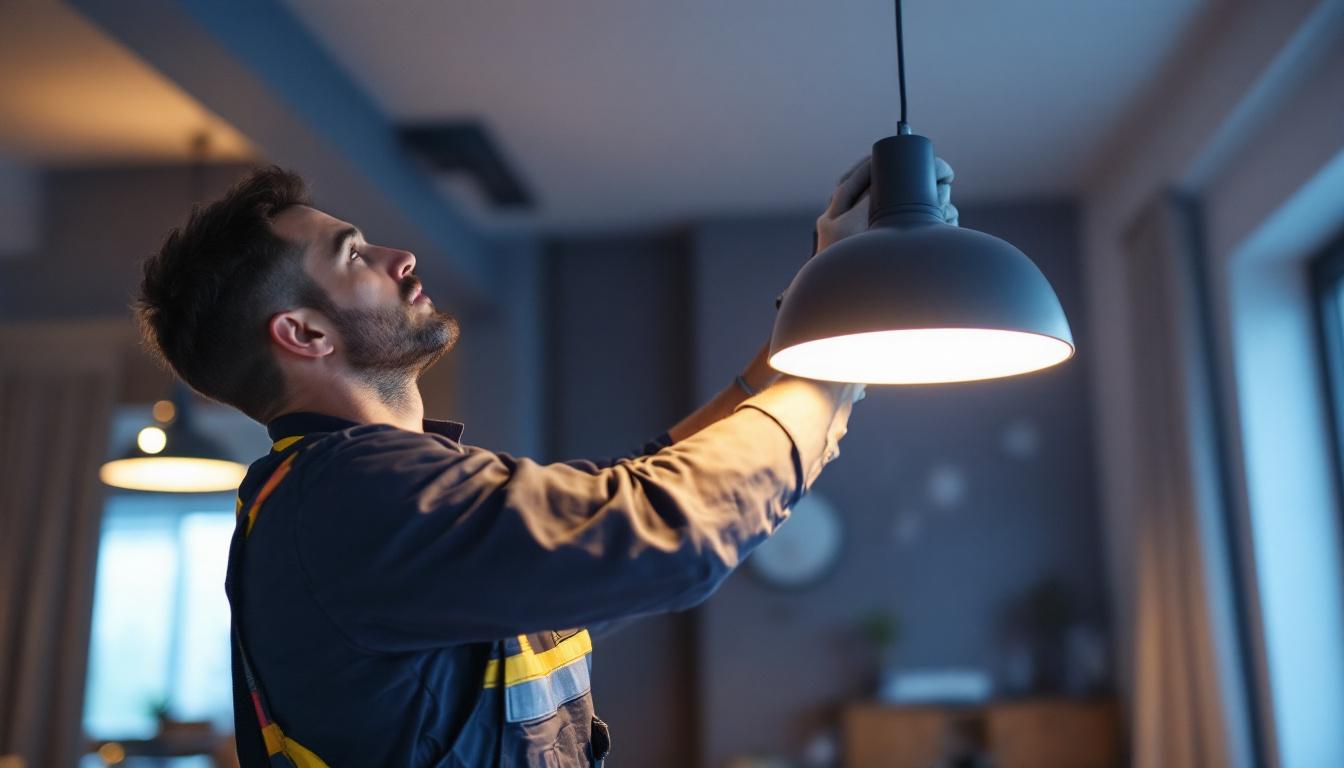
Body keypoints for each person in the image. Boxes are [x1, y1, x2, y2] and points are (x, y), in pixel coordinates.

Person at [135, 155, 947, 766]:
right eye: (353, 256)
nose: (400, 257)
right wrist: (832, 354)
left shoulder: (362, 497)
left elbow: (629, 505)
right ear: (304, 335)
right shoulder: (349, 496)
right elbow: (663, 529)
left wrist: (826, 311)